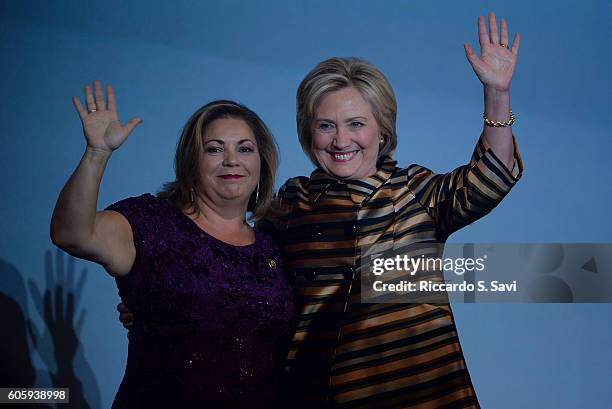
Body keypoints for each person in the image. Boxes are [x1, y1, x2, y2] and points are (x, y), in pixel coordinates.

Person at [120, 11, 522, 408]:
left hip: (424, 395)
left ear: (382, 130)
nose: (341, 139)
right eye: (325, 125)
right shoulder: (289, 206)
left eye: (356, 124)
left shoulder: (416, 191)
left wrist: (497, 94)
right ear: (307, 132)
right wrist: (159, 304)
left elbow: (492, 176)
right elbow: (236, 279)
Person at [50, 82, 296, 408]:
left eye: (245, 149)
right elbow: (72, 234)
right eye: (215, 149)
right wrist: (97, 153)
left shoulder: (273, 249)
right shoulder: (151, 223)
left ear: (262, 163)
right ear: (192, 160)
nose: (232, 161)